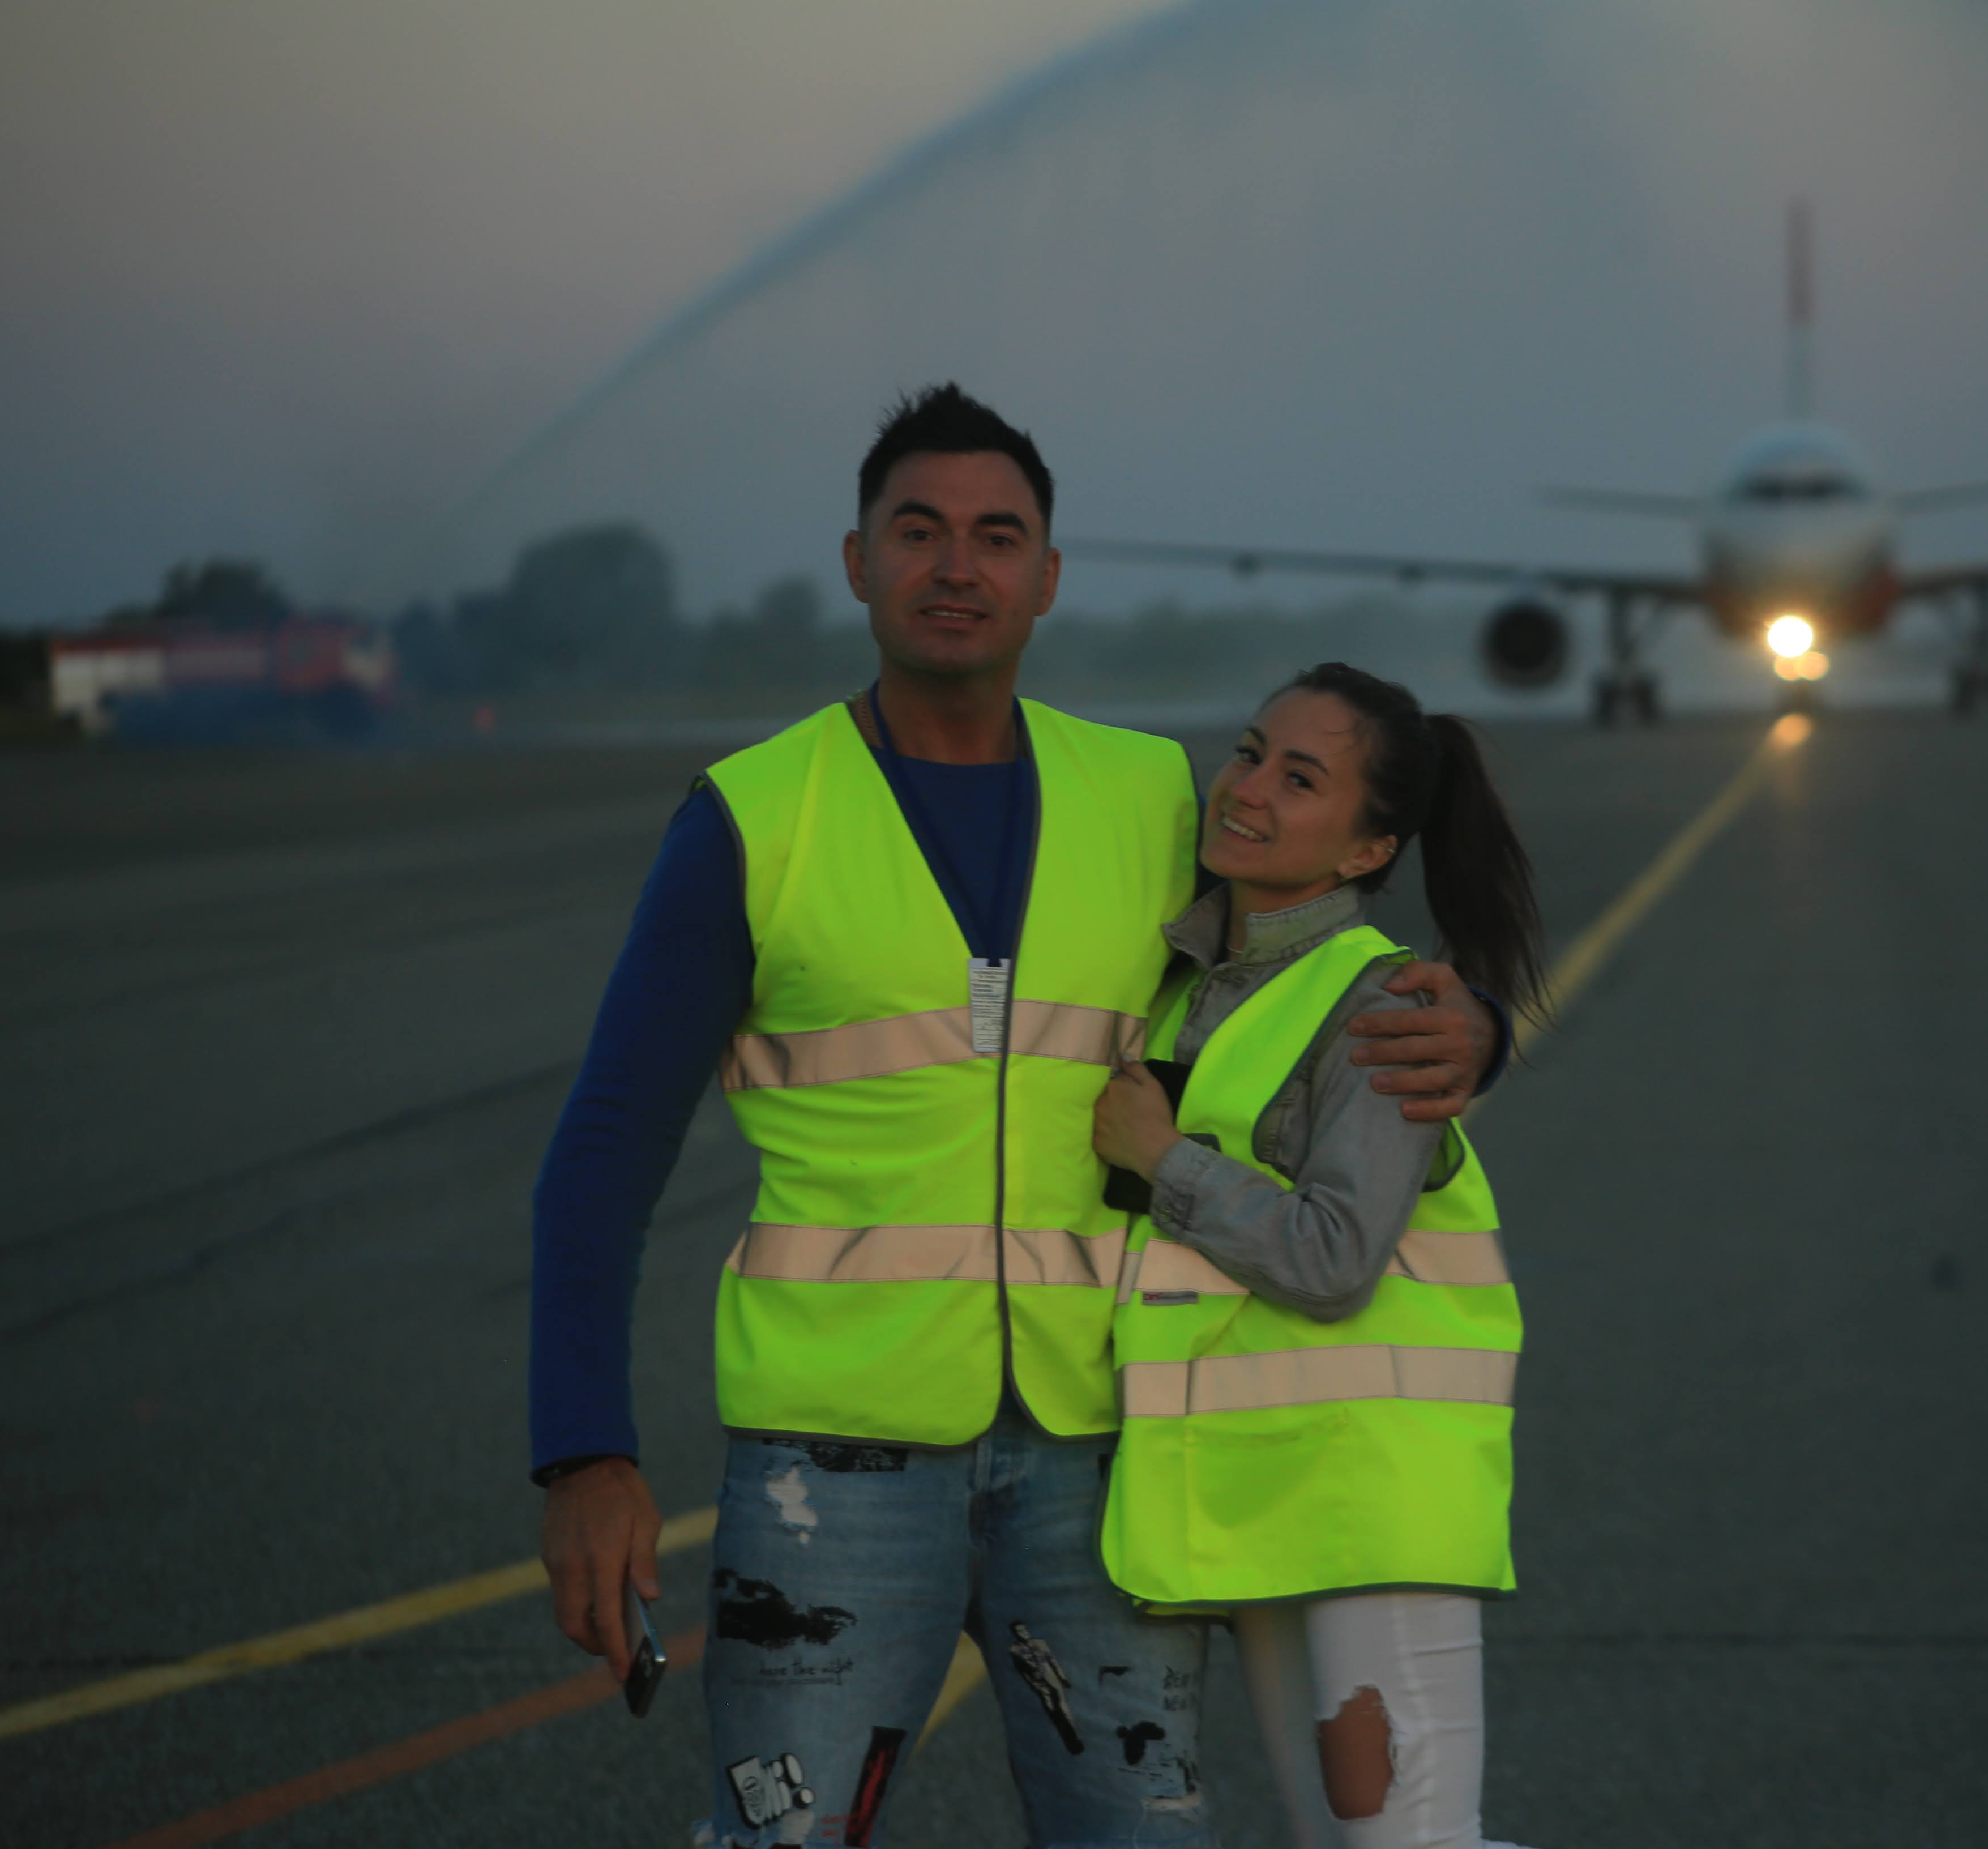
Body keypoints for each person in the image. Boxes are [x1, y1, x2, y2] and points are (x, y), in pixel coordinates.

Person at [528, 385, 1507, 1848]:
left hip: (1094, 1451)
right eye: (916, 530)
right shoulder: (752, 816)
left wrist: (1474, 1027)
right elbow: (605, 1150)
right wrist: (583, 1450)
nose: (955, 565)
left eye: (997, 537)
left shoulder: (1149, 793)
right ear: (856, 561)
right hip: (832, 1460)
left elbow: (1309, 952)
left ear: (1047, 578)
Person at [1091, 663, 1544, 1849]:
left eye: (1301, 780)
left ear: (1366, 850)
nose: (1246, 789)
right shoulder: (1187, 988)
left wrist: (1164, 1159)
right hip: (1260, 1493)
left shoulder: (1387, 1007)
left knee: (1409, 1845)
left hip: (1369, 1501)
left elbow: (1334, 1256)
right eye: (1249, 753)